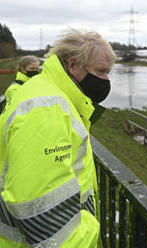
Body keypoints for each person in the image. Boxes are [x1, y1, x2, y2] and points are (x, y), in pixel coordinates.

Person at [0, 29, 116, 248]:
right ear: (72, 65)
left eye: (108, 72)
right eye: (100, 71)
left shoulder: (49, 94)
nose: (106, 80)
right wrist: (89, 232)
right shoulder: (46, 111)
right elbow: (40, 213)